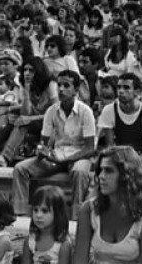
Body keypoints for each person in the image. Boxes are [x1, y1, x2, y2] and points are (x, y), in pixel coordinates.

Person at [72, 145, 142, 264]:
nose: (101, 176)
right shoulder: (88, 210)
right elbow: (79, 262)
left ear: (128, 175)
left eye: (109, 170)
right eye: (100, 170)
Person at [12, 69, 96, 218]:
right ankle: (20, 214)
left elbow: (90, 148)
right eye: (59, 85)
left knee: (80, 172)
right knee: (20, 168)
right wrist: (42, 152)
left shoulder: (85, 111)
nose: (61, 89)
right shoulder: (51, 111)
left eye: (66, 85)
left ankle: (77, 217)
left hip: (78, 156)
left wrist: (65, 160)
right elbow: (43, 143)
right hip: (55, 155)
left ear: (76, 90)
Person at [96, 72, 142, 169]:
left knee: (138, 174)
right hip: (117, 157)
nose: (121, 91)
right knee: (106, 171)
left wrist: (132, 163)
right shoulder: (108, 110)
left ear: (137, 92)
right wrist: (120, 163)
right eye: (119, 87)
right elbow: (110, 145)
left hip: (141, 160)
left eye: (126, 88)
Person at [19, 185, 72, 264]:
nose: (38, 215)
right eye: (35, 210)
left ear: (58, 213)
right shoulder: (30, 240)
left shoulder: (63, 244)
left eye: (44, 211)